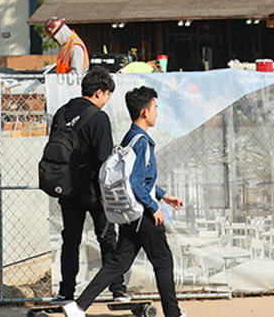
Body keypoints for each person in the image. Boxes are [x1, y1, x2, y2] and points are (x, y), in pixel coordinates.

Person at [65, 86, 186, 317]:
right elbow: (137, 182)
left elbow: (135, 178)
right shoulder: (143, 143)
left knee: (118, 263)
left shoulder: (129, 138)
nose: (157, 113)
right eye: (155, 108)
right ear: (144, 112)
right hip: (144, 215)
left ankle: (78, 306)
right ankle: (173, 314)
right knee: (163, 262)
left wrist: (163, 195)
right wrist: (154, 207)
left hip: (130, 214)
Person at [50, 67, 128, 302]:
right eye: (107, 95)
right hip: (95, 191)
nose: (107, 101)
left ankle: (66, 292)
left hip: (67, 188)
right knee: (107, 237)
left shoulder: (61, 113)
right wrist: (108, 193)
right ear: (99, 92)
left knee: (71, 240)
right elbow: (105, 160)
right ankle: (117, 289)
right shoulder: (98, 117)